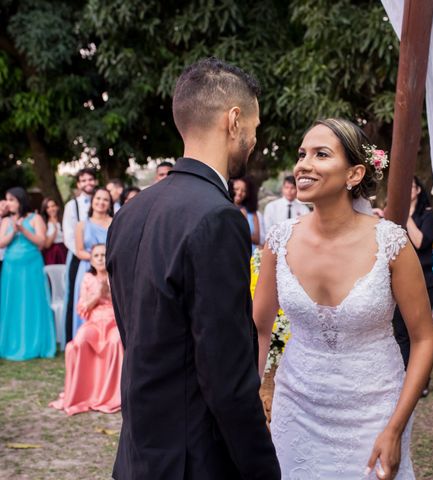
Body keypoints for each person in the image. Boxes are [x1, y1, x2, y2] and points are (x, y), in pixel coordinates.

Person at [106, 57, 279, 479]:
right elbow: (226, 374)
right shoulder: (217, 218)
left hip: (139, 451)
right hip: (194, 457)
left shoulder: (130, 213)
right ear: (233, 120)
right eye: (255, 128)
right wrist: (262, 468)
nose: (254, 140)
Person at [254, 118, 433, 479]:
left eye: (321, 154)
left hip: (375, 408)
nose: (304, 164)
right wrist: (249, 398)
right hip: (296, 404)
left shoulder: (392, 244)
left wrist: (395, 428)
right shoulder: (278, 240)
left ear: (354, 174)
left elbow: (424, 338)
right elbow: (259, 329)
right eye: (302, 154)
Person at [50, 244, 123, 415]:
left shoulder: (117, 277)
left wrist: (108, 293)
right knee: (80, 341)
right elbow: (82, 308)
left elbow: (124, 305)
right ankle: (84, 391)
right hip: (94, 322)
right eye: (96, 255)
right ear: (91, 260)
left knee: (116, 341)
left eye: (103, 255)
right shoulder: (87, 278)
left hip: (113, 322)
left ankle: (112, 394)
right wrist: (98, 295)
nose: (100, 258)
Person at [0, 187, 56, 360]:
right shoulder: (6, 221)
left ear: (20, 201)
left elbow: (43, 242)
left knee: (32, 302)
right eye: (7, 200)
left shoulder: (35, 218)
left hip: (31, 266)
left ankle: (35, 342)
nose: (8, 203)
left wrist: (23, 230)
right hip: (11, 267)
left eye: (11, 200)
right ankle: (11, 342)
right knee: (12, 303)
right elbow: (1, 243)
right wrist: (13, 231)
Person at [392, 176, 433, 369]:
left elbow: (420, 242)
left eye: (410, 187)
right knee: (400, 332)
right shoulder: (394, 216)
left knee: (419, 334)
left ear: (418, 190)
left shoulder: (427, 215)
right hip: (398, 280)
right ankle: (404, 374)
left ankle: (421, 379)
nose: (407, 191)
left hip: (424, 279)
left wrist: (406, 217)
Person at [71, 188, 112, 338]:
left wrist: (106, 261)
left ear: (110, 204)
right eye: (98, 198)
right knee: (88, 302)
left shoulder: (114, 222)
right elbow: (79, 250)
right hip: (88, 268)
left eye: (105, 200)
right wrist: (96, 258)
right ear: (92, 201)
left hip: (109, 269)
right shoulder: (81, 225)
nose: (101, 202)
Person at [62, 168, 97, 343]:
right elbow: (68, 234)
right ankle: (73, 339)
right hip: (78, 258)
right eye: (83, 180)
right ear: (78, 184)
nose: (87, 183)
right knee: (75, 298)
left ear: (96, 182)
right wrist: (82, 254)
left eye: (90, 179)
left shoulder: (102, 201)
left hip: (101, 258)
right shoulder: (72, 205)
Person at [231, 176, 261, 253]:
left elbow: (257, 239)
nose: (239, 193)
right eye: (236, 189)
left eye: (244, 191)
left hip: (250, 254)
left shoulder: (251, 212)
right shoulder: (224, 209)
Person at [41, 197, 68, 265]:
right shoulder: (44, 223)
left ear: (57, 207)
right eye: (48, 207)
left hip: (64, 250)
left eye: (53, 206)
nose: (51, 209)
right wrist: (55, 229)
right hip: (52, 253)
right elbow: (47, 245)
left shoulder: (63, 220)